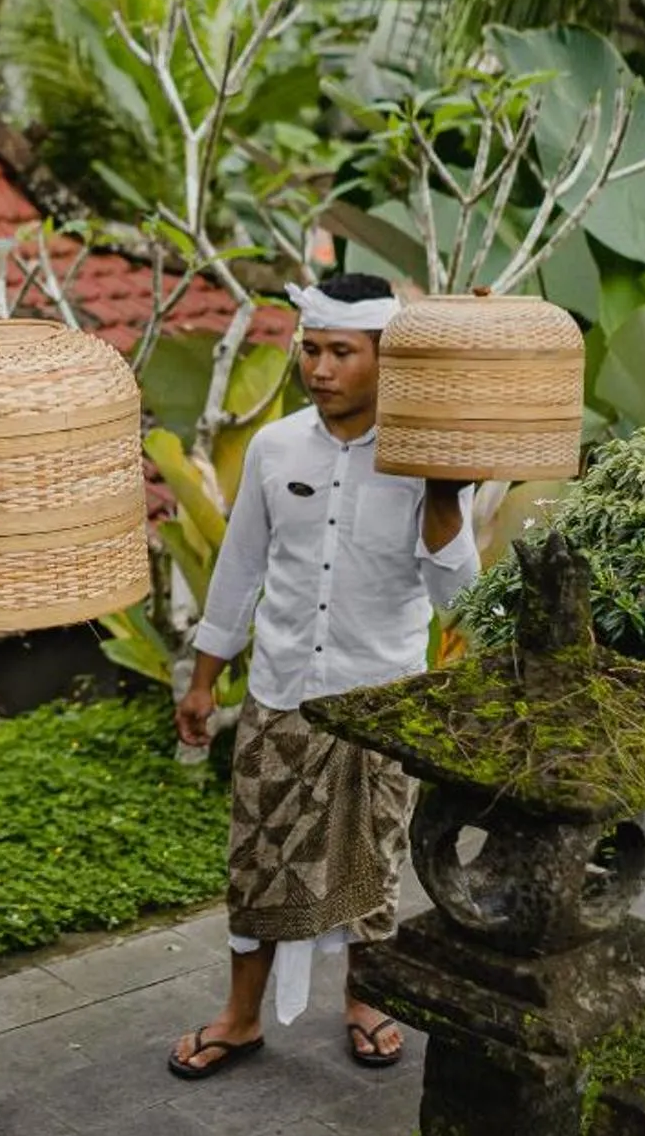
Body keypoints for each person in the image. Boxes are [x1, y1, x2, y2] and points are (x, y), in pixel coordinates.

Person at [168, 270, 478, 1080]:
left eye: (341, 351)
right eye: (311, 349)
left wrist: (445, 499)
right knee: (256, 859)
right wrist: (203, 681)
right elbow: (238, 573)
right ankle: (240, 1017)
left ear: (385, 359)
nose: (320, 367)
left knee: (372, 863)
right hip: (280, 695)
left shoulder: (427, 461)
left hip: (380, 704)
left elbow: (459, 594)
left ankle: (364, 1000)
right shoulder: (275, 449)